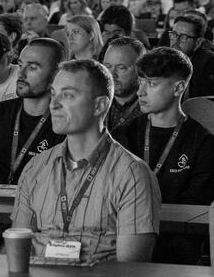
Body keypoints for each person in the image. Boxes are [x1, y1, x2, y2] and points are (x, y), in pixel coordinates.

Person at [11, 58, 161, 263]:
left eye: (67, 95)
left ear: (99, 105)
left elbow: (130, 269)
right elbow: (19, 248)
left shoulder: (132, 174)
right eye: (53, 94)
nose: (53, 104)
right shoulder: (35, 167)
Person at [117, 47, 214, 264]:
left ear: (178, 88)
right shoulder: (123, 135)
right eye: (141, 82)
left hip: (176, 250)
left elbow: (197, 212)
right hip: (124, 240)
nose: (140, 92)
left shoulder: (203, 143)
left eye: (152, 84)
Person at [0, 38, 65, 195]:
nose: (21, 74)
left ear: (57, 74)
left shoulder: (66, 124)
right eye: (21, 65)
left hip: (37, 208)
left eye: (32, 67)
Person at [169, 15, 214, 98]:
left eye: (184, 37)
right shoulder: (162, 57)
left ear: (198, 42)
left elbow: (204, 100)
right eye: (174, 34)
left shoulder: (208, 60)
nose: (176, 40)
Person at [102, 37, 145, 133]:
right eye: (107, 66)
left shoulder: (150, 109)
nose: (112, 74)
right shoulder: (96, 102)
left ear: (140, 69)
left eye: (121, 68)